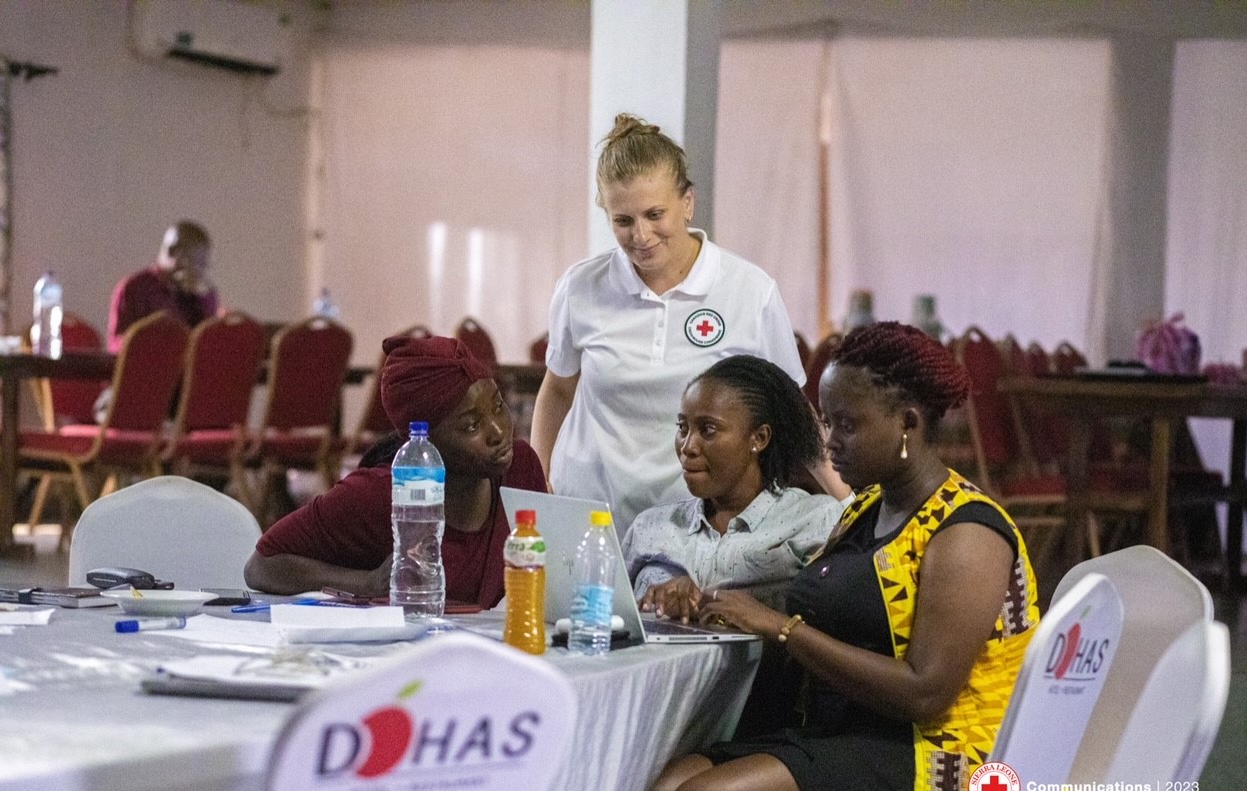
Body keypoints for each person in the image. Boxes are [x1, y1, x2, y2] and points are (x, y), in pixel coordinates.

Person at [628, 322, 1049, 791]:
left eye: (847, 425)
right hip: (840, 732)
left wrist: (782, 629)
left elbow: (926, 691)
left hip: (937, 759)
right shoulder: (867, 510)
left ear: (908, 424)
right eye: (827, 422)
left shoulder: (965, 530)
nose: (829, 443)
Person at [531, 113, 807, 538]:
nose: (641, 235)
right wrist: (537, 480)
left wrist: (845, 504)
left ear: (688, 203)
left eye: (654, 214)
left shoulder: (749, 290)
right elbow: (558, 389)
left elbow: (793, 411)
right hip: (589, 514)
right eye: (623, 221)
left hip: (696, 527)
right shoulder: (580, 287)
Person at [244, 335, 547, 608]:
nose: (498, 431)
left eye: (498, 406)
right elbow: (261, 566)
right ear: (425, 442)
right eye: (471, 425)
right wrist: (366, 583)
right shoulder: (380, 495)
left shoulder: (520, 469)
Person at [624, 355, 843, 619]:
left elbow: (827, 632)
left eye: (708, 430)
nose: (687, 446)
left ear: (759, 438)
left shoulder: (815, 519)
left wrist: (705, 603)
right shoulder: (649, 526)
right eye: (683, 427)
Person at [107, 221, 219, 352]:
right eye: (194, 262)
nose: (199, 272)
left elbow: (209, 343)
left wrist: (204, 300)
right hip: (149, 366)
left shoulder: (199, 294)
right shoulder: (134, 288)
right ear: (171, 252)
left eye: (203, 265)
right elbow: (116, 345)